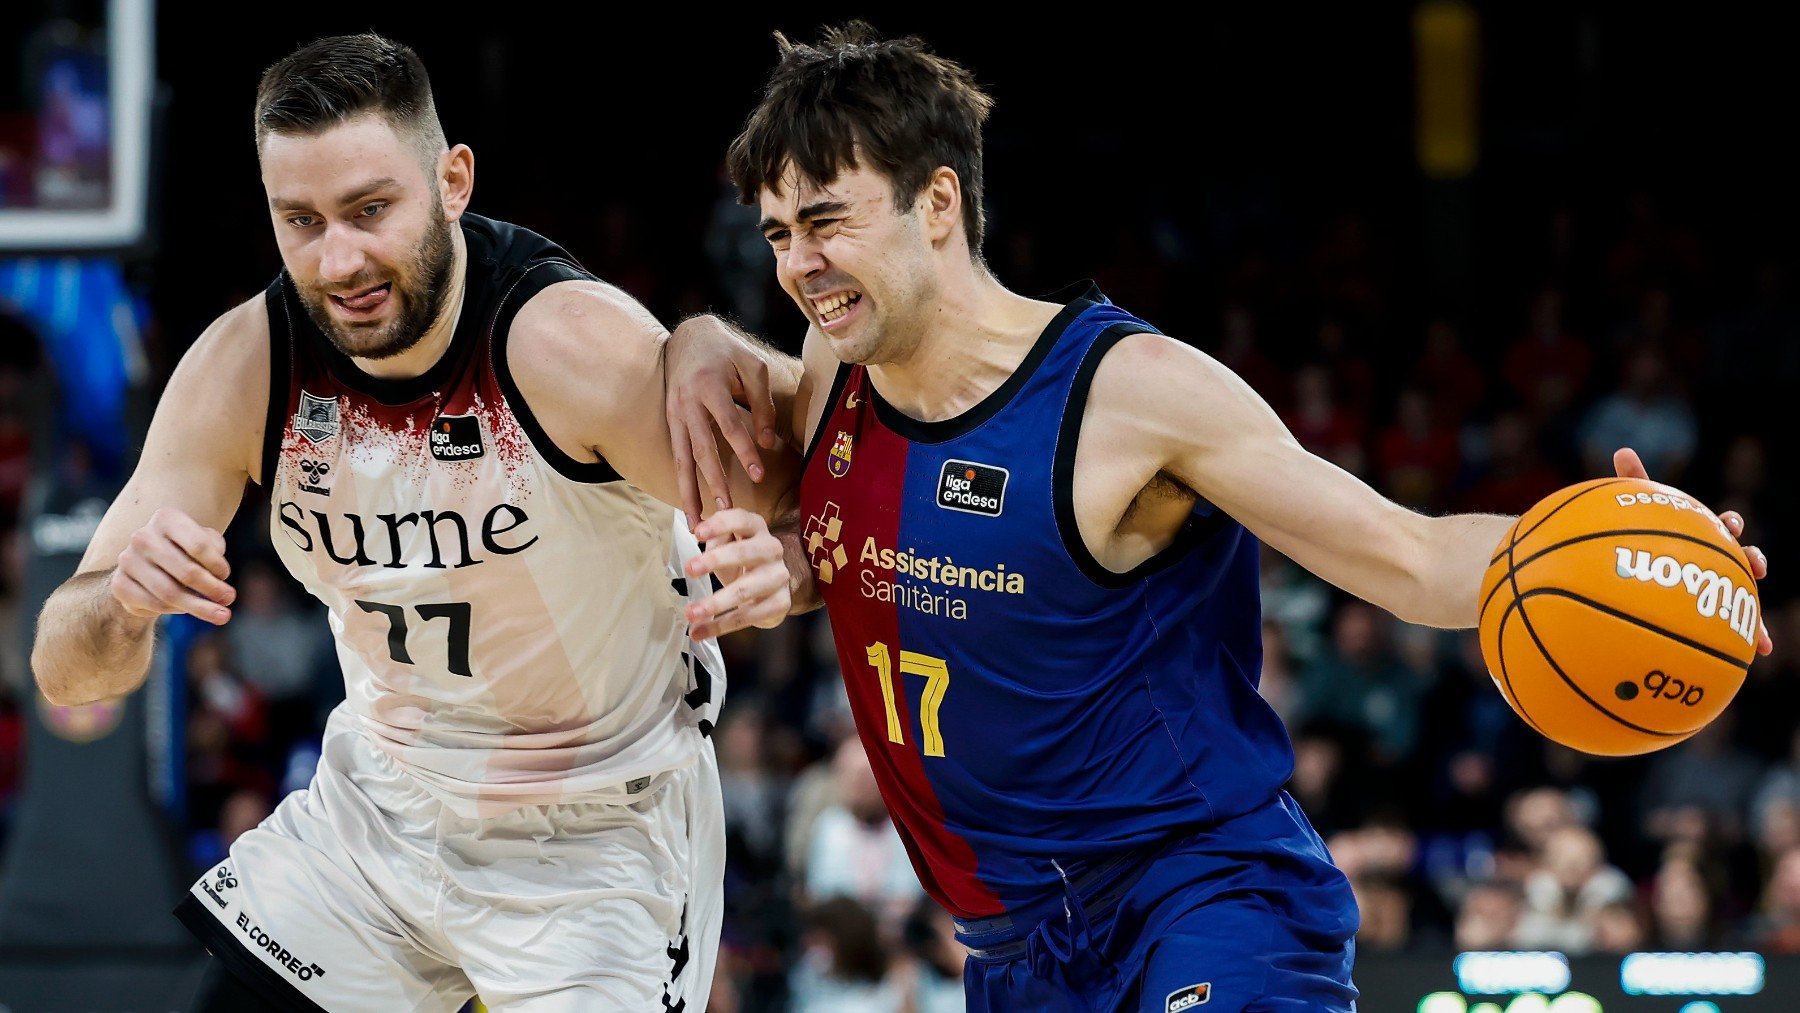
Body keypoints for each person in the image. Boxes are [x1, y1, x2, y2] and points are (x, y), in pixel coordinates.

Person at [664, 22, 1774, 1012]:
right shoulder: (832, 362)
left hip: (1203, 895)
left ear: (939, 202)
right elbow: (860, 545)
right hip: (1014, 950)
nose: (799, 264)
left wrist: (1646, 562)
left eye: (824, 222)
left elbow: (1412, 551)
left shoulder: (1132, 394)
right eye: (774, 235)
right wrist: (782, 543)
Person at [30, 33, 797, 1012]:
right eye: (299, 220)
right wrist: (121, 604)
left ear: (453, 181)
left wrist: (720, 365)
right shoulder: (245, 370)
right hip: (384, 807)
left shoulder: (565, 346)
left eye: (369, 210)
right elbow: (66, 673)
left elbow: (835, 463)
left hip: (592, 834)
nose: (338, 257)